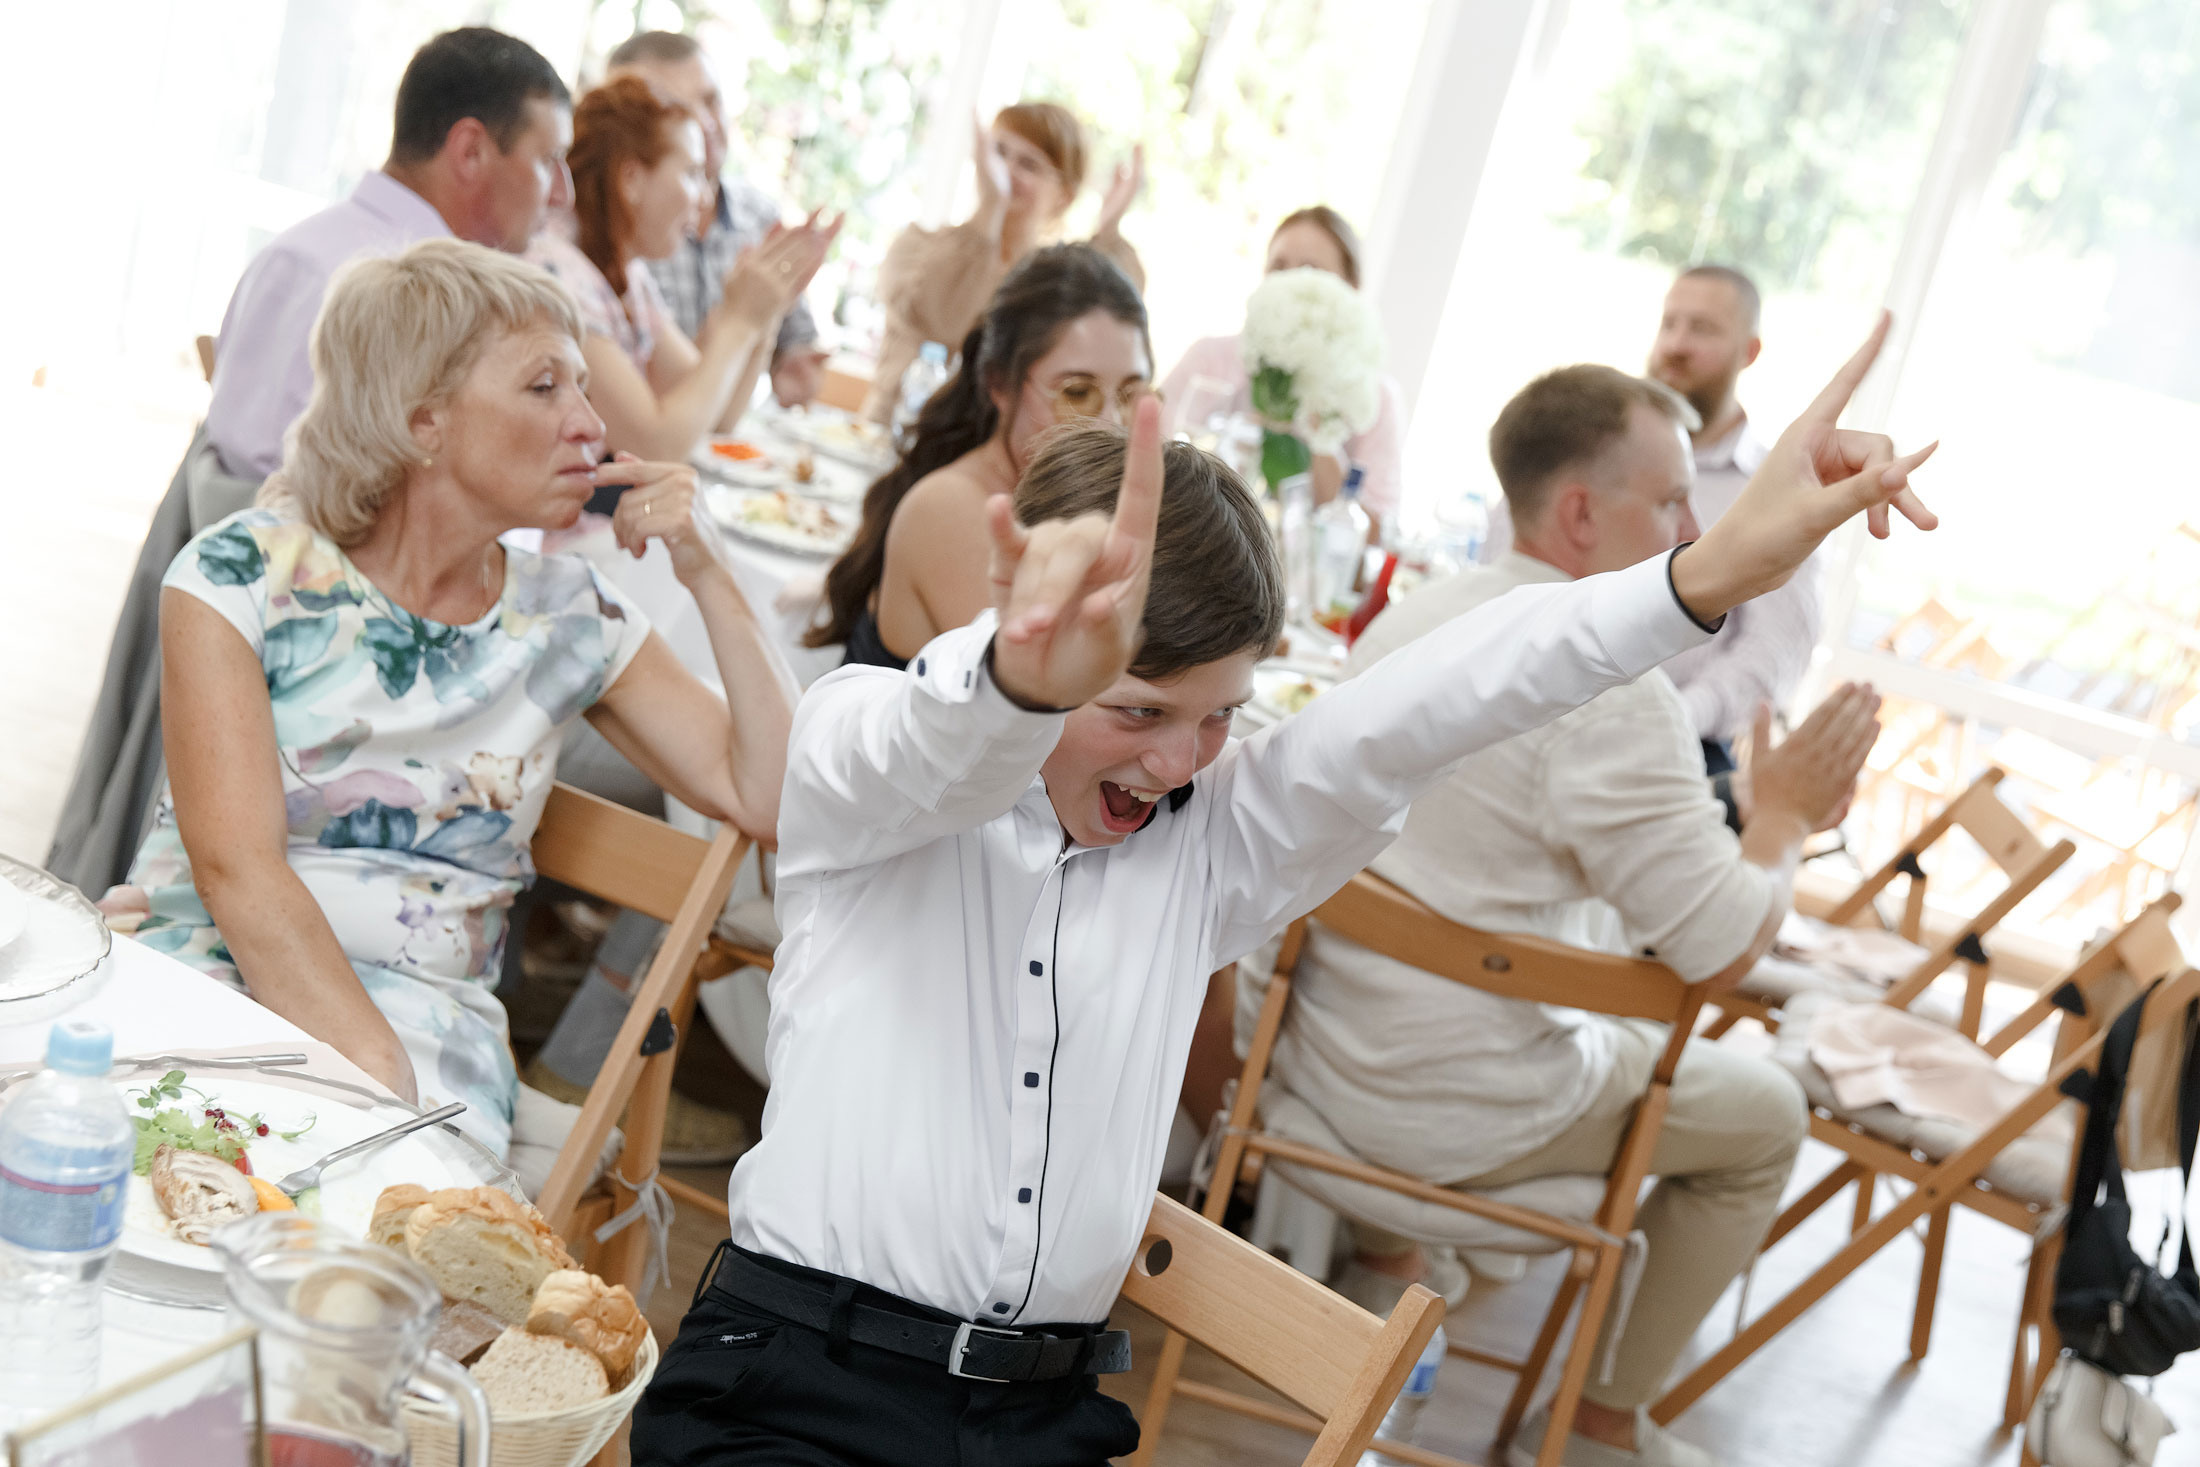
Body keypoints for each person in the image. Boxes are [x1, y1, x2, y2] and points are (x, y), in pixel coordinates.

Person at [627, 316, 1936, 1465]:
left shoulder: (1209, 837)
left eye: (1217, 717)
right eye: (1142, 707)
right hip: (792, 1379)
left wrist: (1699, 578)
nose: (1182, 759)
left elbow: (1444, 697)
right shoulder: (873, 758)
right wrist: (1029, 684)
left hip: (1044, 1417)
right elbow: (940, 746)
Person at [1253, 364, 1880, 1467]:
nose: (1694, 527)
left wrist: (1733, 810)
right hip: (1452, 1111)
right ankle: (1596, 1424)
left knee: (1562, 998)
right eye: (1670, 499)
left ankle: (1394, 1271)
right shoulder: (1614, 685)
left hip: (1314, 1068)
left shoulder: (1413, 615)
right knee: (1766, 1114)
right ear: (1581, 513)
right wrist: (1777, 824)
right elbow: (1722, 945)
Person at [95, 240, 799, 1159]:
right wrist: (375, 1095)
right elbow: (238, 876)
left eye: (584, 386)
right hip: (212, 966)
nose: (591, 422)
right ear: (423, 419)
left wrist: (709, 569)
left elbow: (775, 795)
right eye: (545, 387)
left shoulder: (572, 616)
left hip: (433, 1024)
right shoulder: (241, 575)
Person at [46, 27, 575, 896]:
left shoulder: (308, 244)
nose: (557, 194)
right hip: (306, 663)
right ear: (472, 150)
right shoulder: (404, 297)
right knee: (507, 742)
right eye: (547, 161)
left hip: (247, 616)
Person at [808, 243, 1151, 668]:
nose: (1111, 425)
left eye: (1131, 394)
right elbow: (1056, 705)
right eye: (1077, 393)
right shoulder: (951, 507)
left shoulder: (1082, 505)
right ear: (998, 385)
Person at [526, 76, 838, 472]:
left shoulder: (626, 274)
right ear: (631, 179)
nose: (705, 198)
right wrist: (738, 322)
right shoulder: (559, 273)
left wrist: (766, 310)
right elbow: (655, 443)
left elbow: (715, 415)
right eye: (693, 173)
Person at [861, 104, 1144, 424]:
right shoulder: (917, 248)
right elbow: (948, 323)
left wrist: (1108, 231)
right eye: (999, 152)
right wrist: (990, 209)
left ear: (1065, 195)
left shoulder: (1058, 285)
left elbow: (1113, 333)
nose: (1006, 170)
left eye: (1028, 164)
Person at [1648, 265, 1820, 776]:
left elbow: (1775, 651)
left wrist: (1673, 719)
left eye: (1702, 329)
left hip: (1684, 745)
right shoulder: (1596, 455)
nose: (1676, 345)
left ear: (1750, 352)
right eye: (1669, 323)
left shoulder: (1776, 491)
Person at [604, 30, 827, 411]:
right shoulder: (620, 237)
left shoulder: (760, 214)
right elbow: (668, 408)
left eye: (712, 100)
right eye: (680, 109)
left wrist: (784, 347)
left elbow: (716, 405)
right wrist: (739, 320)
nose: (706, 124)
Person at [1158, 205, 1408, 529]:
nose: (1288, 283)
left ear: (1351, 287)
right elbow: (1151, 450)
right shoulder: (1211, 357)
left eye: (1309, 270)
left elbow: (1376, 533)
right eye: (1278, 267)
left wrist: (1317, 434)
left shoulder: (1376, 398)